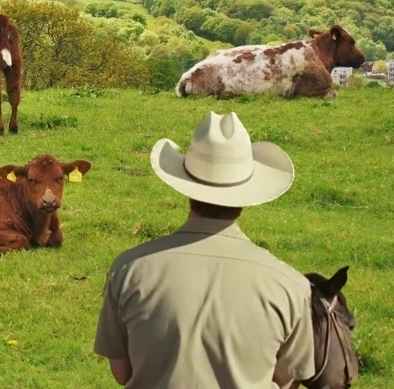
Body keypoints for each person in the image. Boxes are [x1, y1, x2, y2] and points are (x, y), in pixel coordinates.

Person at [94, 111, 316, 388]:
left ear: (187, 188)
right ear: (247, 194)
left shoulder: (129, 269)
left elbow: (122, 373)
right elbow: (286, 378)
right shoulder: (290, 285)